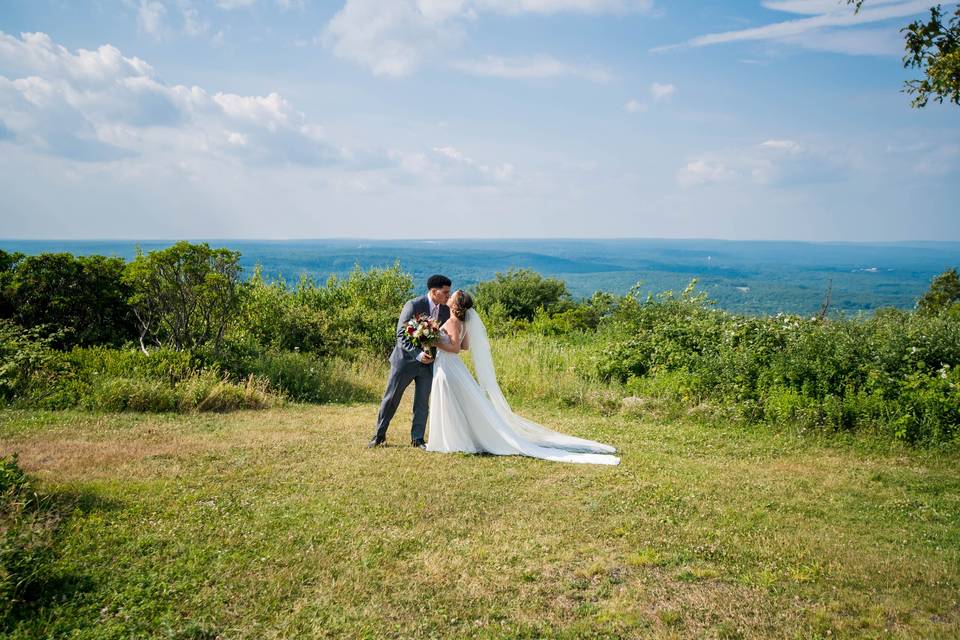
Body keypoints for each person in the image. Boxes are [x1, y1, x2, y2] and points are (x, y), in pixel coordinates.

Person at [425, 289, 619, 465]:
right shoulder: (463, 322)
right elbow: (466, 346)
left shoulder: (452, 322)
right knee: (457, 402)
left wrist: (434, 342)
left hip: (448, 366)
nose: (448, 296)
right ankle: (456, 437)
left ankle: (451, 440)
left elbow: (456, 349)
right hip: (452, 367)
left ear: (455, 304)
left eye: (452, 296)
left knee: (449, 401)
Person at [368, 274, 451, 449]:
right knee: (391, 399)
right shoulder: (413, 305)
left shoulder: (445, 310)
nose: (448, 296)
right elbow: (401, 336)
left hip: (428, 365)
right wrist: (418, 354)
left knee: (422, 403)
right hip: (404, 362)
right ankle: (379, 435)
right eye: (445, 292)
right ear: (434, 292)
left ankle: (418, 439)